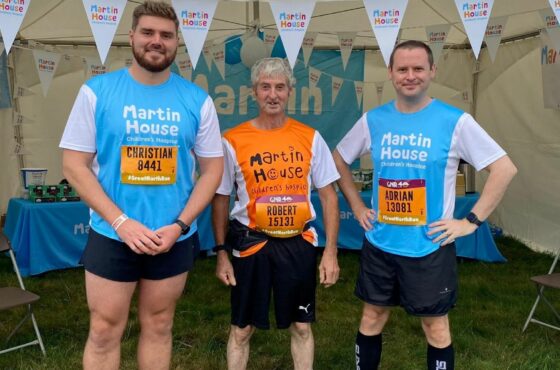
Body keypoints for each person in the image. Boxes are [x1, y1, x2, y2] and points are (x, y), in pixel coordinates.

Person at [333, 40, 517, 370]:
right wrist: (358, 208)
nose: (410, 76)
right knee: (372, 317)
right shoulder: (373, 120)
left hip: (429, 246)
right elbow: (338, 159)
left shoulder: (455, 121)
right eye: (402, 69)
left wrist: (470, 222)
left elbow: (504, 168)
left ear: (432, 71)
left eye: (418, 68)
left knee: (435, 326)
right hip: (381, 243)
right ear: (390, 73)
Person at [59, 1, 223, 369]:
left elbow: (212, 171)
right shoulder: (97, 91)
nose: (156, 41)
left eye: (166, 35)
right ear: (131, 36)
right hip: (112, 233)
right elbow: (73, 165)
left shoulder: (197, 100)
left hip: (172, 235)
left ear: (177, 42)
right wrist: (120, 222)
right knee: (103, 329)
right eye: (148, 32)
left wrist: (180, 225)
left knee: (160, 325)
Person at [212, 57, 340, 370]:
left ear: (289, 92)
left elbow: (328, 195)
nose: (273, 94)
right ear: (254, 92)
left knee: (301, 325)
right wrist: (221, 253)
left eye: (280, 87)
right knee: (242, 329)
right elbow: (220, 199)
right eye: (265, 87)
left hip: (297, 243)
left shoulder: (310, 138)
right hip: (250, 242)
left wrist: (331, 253)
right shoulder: (232, 140)